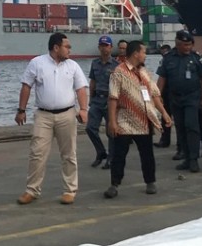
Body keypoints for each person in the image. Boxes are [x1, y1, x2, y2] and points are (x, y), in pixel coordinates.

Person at [15, 33, 89, 205]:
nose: (70, 49)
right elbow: (26, 86)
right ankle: (32, 190)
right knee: (37, 153)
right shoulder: (37, 63)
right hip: (43, 115)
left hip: (67, 114)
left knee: (69, 154)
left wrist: (84, 109)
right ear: (56, 48)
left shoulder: (73, 66)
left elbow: (81, 89)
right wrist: (21, 110)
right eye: (67, 46)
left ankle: (70, 190)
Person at [104, 40, 172, 199]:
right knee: (119, 154)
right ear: (136, 53)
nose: (145, 55)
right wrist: (112, 121)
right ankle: (114, 184)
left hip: (143, 121)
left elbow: (155, 96)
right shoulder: (118, 72)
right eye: (143, 52)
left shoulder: (145, 73)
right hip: (125, 121)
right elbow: (113, 98)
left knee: (147, 154)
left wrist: (165, 113)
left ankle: (150, 181)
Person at [156, 30, 202, 172]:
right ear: (177, 44)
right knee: (180, 128)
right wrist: (157, 96)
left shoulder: (196, 57)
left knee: (191, 126)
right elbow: (162, 78)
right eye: (185, 45)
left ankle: (193, 159)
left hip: (192, 97)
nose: (188, 48)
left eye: (189, 45)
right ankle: (186, 157)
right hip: (175, 98)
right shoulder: (168, 58)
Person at [86, 36, 118, 169]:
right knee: (90, 128)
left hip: (110, 100)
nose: (104, 48)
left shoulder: (116, 66)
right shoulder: (95, 63)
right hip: (97, 99)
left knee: (111, 131)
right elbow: (92, 81)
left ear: (111, 47)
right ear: (99, 47)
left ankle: (111, 157)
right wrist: (90, 98)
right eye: (102, 45)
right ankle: (101, 152)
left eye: (106, 45)